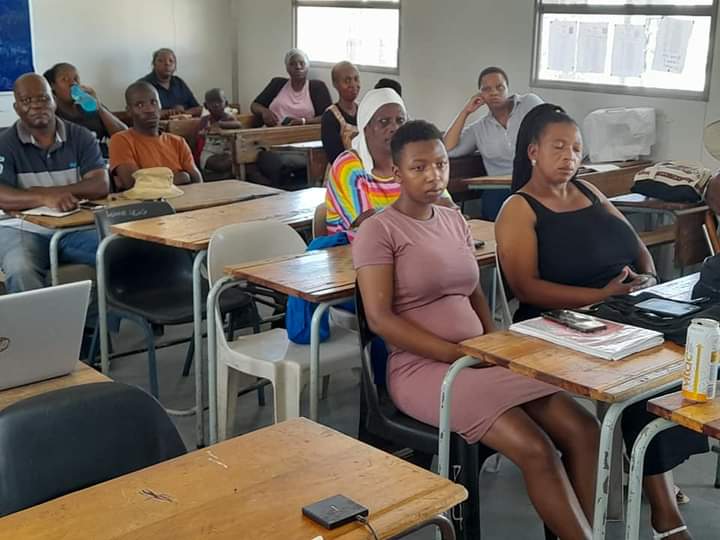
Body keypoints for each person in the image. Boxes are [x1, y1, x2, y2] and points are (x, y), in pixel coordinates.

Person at [354, 120, 600, 540]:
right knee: (536, 449)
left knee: (584, 430)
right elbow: (381, 320)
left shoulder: (453, 219)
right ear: (397, 173)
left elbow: (474, 292)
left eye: (441, 164)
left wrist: (492, 344)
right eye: (419, 168)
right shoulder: (379, 231)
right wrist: (457, 354)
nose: (433, 176)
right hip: (423, 371)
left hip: (478, 358)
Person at [495, 103, 707, 540]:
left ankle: (660, 495)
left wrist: (647, 279)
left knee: (669, 366)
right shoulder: (518, 208)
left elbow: (637, 249)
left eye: (576, 148)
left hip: (617, 310)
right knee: (637, 383)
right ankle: (666, 516)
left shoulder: (589, 192)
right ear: (533, 151)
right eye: (558, 147)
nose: (570, 157)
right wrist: (600, 296)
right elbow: (526, 288)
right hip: (557, 322)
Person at [0, 73, 109, 292]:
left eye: (43, 98)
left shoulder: (80, 136)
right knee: (21, 267)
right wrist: (43, 197)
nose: (36, 105)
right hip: (22, 230)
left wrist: (55, 193)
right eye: (26, 100)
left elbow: (100, 184)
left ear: (54, 101)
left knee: (118, 250)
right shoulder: (5, 143)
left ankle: (106, 315)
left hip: (75, 227)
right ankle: (37, 317)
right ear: (16, 107)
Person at [325, 88, 453, 237]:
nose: (394, 128)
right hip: (354, 247)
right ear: (366, 128)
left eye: (400, 121)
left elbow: (446, 206)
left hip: (411, 240)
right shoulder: (348, 167)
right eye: (384, 122)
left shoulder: (412, 162)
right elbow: (370, 225)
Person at [444, 66, 543, 221]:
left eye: (499, 87)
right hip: (499, 189)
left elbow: (554, 124)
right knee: (495, 203)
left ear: (507, 89)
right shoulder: (479, 128)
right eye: (487, 89)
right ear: (480, 94)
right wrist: (466, 112)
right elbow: (447, 149)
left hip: (533, 182)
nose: (494, 93)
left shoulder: (529, 103)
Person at [109, 81, 202, 191]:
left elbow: (197, 181)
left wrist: (156, 180)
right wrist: (181, 177)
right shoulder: (121, 140)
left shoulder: (178, 142)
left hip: (185, 199)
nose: (150, 110)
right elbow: (133, 183)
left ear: (160, 105)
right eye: (140, 105)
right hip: (145, 202)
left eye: (153, 102)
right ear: (129, 111)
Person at [43, 62, 127, 157]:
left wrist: (99, 106)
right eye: (65, 79)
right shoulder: (52, 115)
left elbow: (124, 136)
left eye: (76, 79)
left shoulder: (92, 108)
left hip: (104, 159)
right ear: (53, 86)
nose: (73, 83)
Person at [250, 48, 331, 127]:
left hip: (303, 133)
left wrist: (303, 121)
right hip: (272, 131)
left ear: (307, 66)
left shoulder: (317, 87)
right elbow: (254, 105)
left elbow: (328, 116)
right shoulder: (277, 83)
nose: (298, 67)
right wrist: (264, 111)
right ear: (287, 68)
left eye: (302, 63)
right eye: (292, 64)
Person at [194, 88, 242, 177]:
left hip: (225, 151)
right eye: (211, 102)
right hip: (209, 152)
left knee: (231, 159)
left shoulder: (228, 118)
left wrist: (220, 124)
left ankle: (226, 174)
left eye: (219, 101)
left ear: (226, 104)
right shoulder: (205, 120)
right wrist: (204, 132)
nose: (215, 105)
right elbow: (199, 136)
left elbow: (238, 125)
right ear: (205, 106)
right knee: (218, 164)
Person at [140, 48, 202, 118]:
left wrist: (182, 113)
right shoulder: (143, 86)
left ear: (175, 66)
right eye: (161, 61)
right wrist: (170, 112)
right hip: (157, 124)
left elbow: (198, 109)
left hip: (183, 123)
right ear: (154, 64)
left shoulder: (179, 83)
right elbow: (140, 113)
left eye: (171, 61)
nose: (167, 63)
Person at [321, 61, 360, 163]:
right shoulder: (330, 117)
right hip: (342, 169)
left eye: (356, 79)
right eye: (347, 80)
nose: (353, 84)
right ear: (335, 84)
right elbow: (334, 157)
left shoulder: (364, 111)